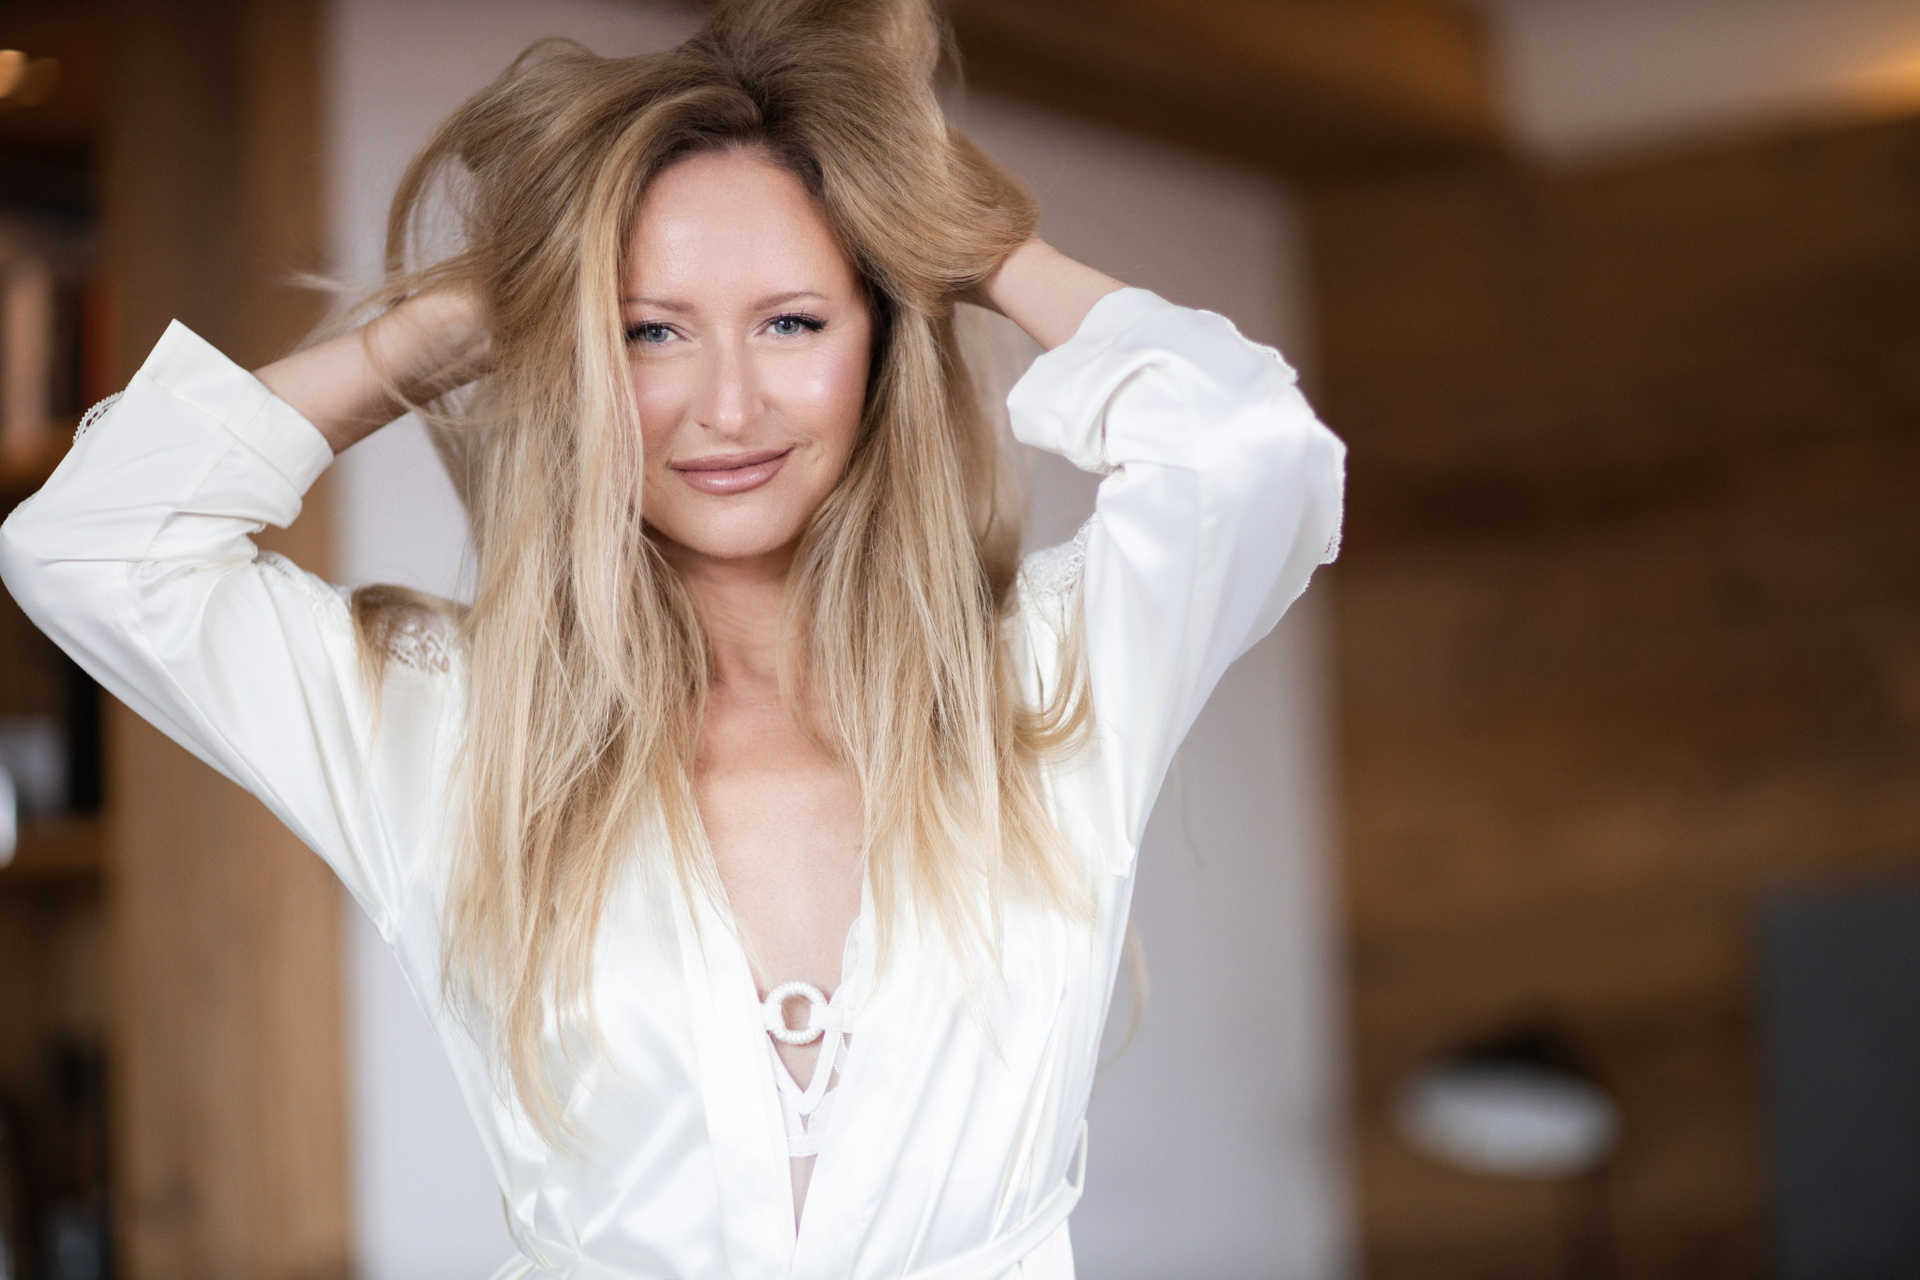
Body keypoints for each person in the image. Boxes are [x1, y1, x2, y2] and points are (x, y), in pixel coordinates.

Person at [0, 0, 1344, 1275]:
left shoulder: (1055, 682)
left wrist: (975, 245)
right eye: (650, 332)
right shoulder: (452, 733)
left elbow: (1252, 450)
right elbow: (90, 546)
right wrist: (464, 317)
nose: (728, 405)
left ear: (880, 341)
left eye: (792, 322)